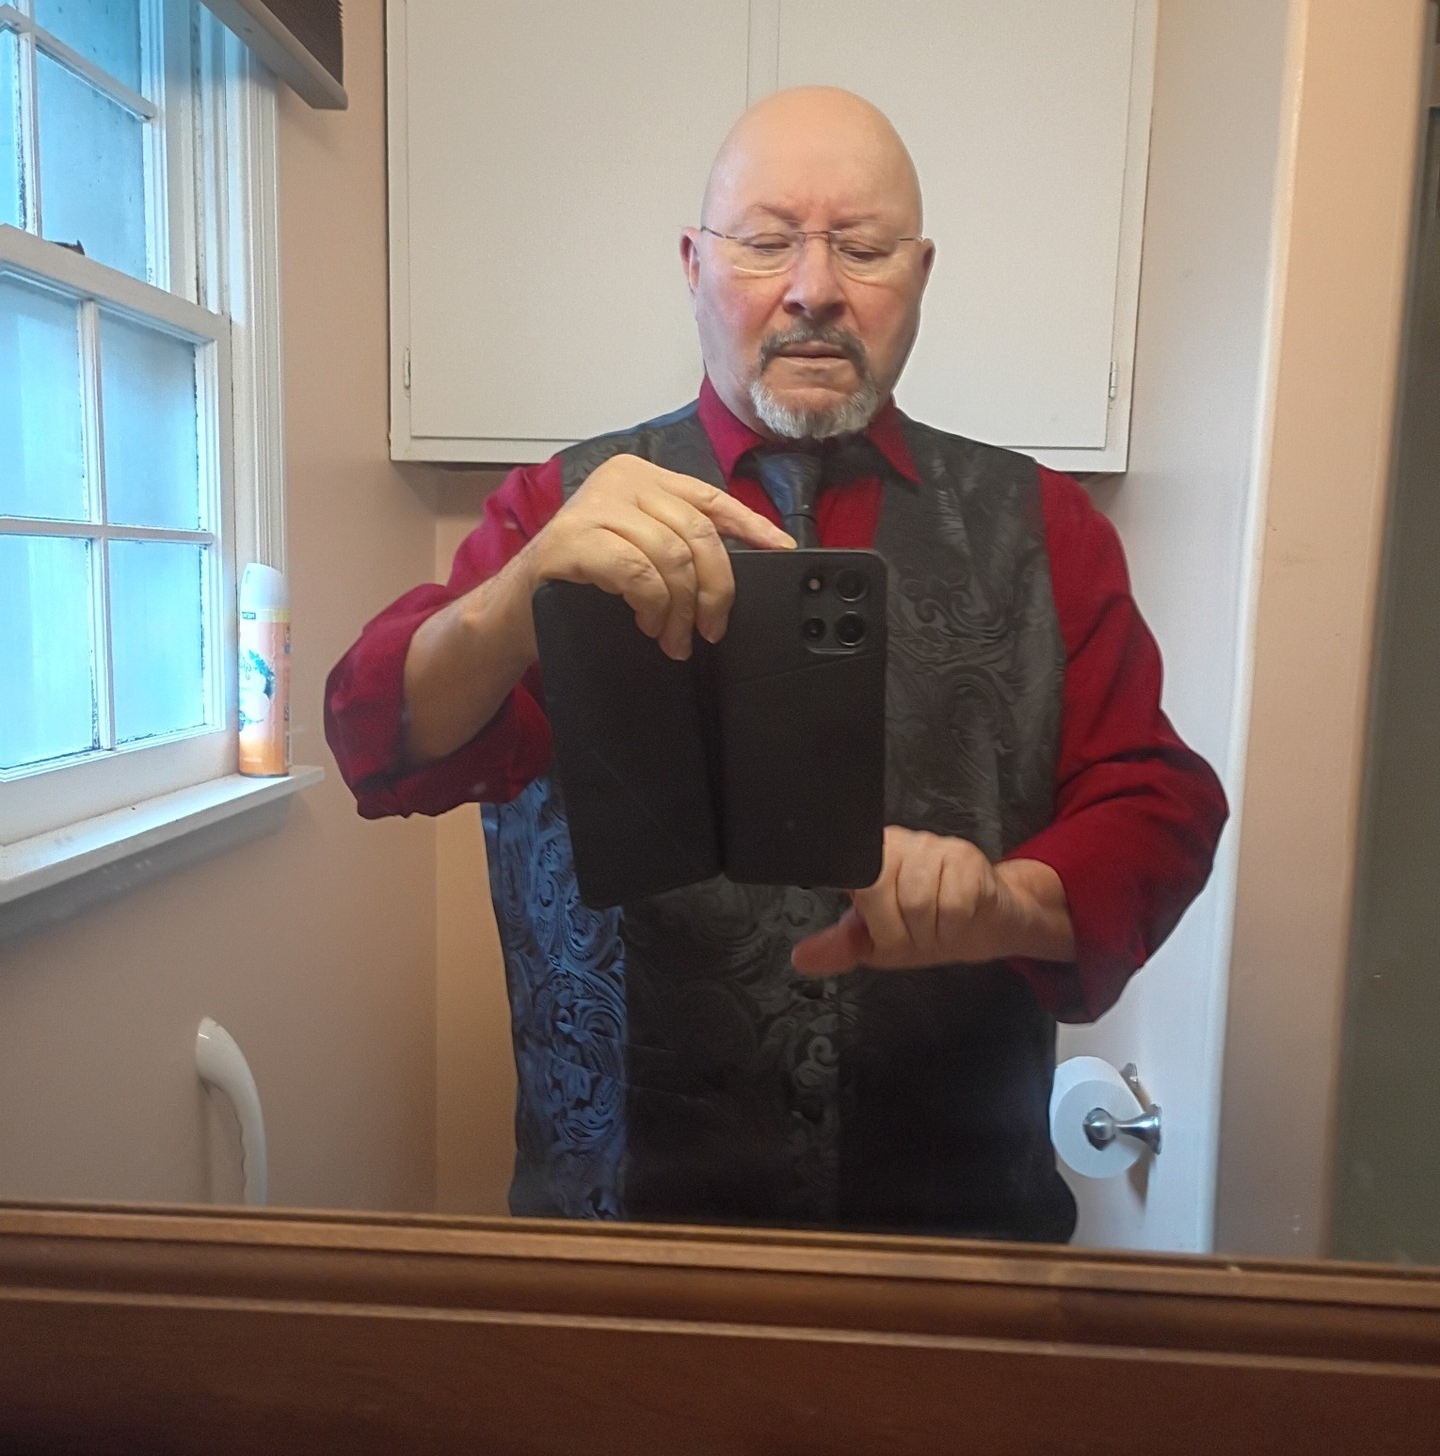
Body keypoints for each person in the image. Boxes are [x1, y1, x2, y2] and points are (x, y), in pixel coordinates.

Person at [326, 87, 1227, 1240]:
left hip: (958, 1249)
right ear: (694, 264)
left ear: (921, 276)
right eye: (766, 243)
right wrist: (518, 594)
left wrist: (1012, 904)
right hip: (617, 1246)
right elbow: (377, 737)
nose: (814, 289)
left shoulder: (1048, 527)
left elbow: (1157, 807)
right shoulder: (561, 508)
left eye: (863, 248)